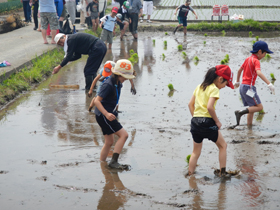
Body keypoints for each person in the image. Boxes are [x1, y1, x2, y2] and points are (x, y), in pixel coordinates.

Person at [187, 65, 234, 176]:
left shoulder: (199, 87)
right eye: (225, 84)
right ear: (220, 79)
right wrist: (217, 122)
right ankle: (223, 173)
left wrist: (197, 118)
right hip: (208, 122)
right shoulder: (214, 89)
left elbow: (190, 104)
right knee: (223, 146)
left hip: (195, 123)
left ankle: (190, 174)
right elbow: (209, 107)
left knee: (195, 152)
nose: (224, 87)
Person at [94, 59, 135, 169]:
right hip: (104, 115)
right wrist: (107, 114)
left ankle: (102, 164)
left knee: (109, 142)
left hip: (106, 114)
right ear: (118, 74)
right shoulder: (108, 84)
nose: (126, 79)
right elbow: (96, 101)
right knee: (124, 135)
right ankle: (113, 162)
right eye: (125, 77)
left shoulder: (118, 83)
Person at [233, 41, 275, 126]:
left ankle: (249, 128)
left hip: (242, 87)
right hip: (249, 88)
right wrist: (269, 83)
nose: (264, 56)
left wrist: (237, 81)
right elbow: (258, 73)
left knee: (252, 108)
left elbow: (239, 70)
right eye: (265, 53)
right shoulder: (256, 61)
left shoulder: (247, 59)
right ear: (260, 51)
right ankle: (240, 112)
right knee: (259, 107)